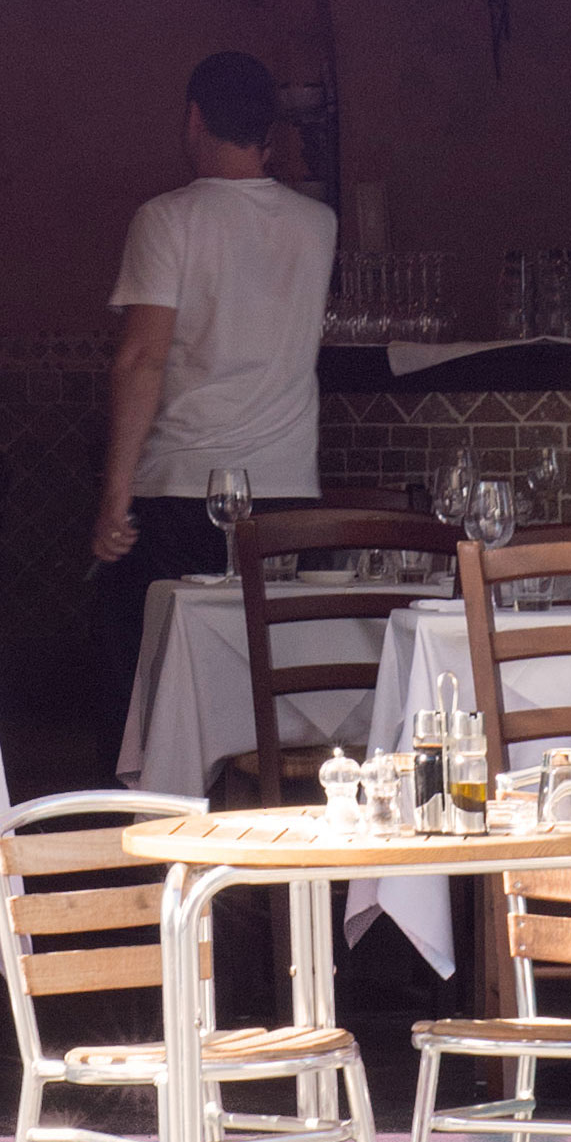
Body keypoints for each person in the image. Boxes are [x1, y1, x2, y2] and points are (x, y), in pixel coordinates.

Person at [88, 49, 338, 727]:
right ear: (269, 131)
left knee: (148, 687)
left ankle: (148, 794)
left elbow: (141, 360)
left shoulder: (167, 219)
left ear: (194, 119)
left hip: (181, 493)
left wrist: (114, 496)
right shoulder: (318, 225)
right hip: (288, 493)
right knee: (268, 684)